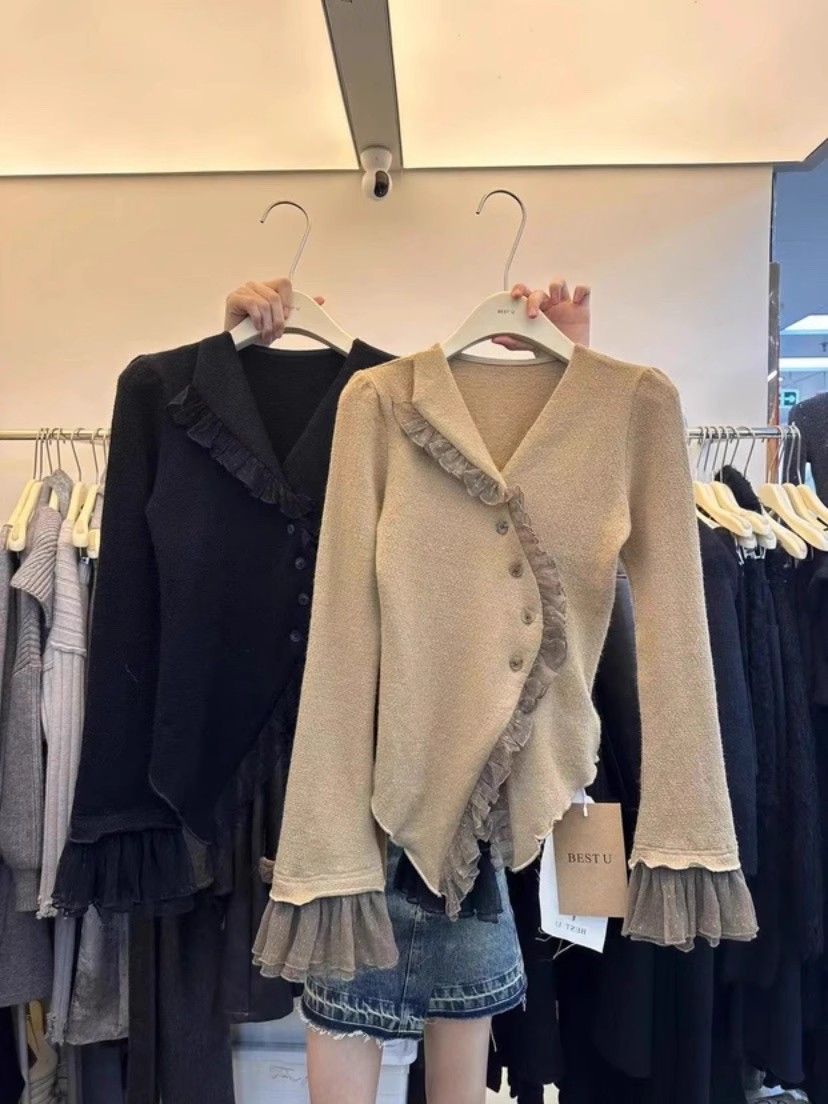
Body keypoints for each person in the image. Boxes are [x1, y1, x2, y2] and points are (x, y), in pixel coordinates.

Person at [223, 277, 591, 1104]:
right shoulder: (377, 402)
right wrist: (234, 354)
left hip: (448, 789)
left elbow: (551, 569)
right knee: (350, 1029)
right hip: (329, 769)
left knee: (452, 1051)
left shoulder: (409, 405)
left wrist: (569, 379)